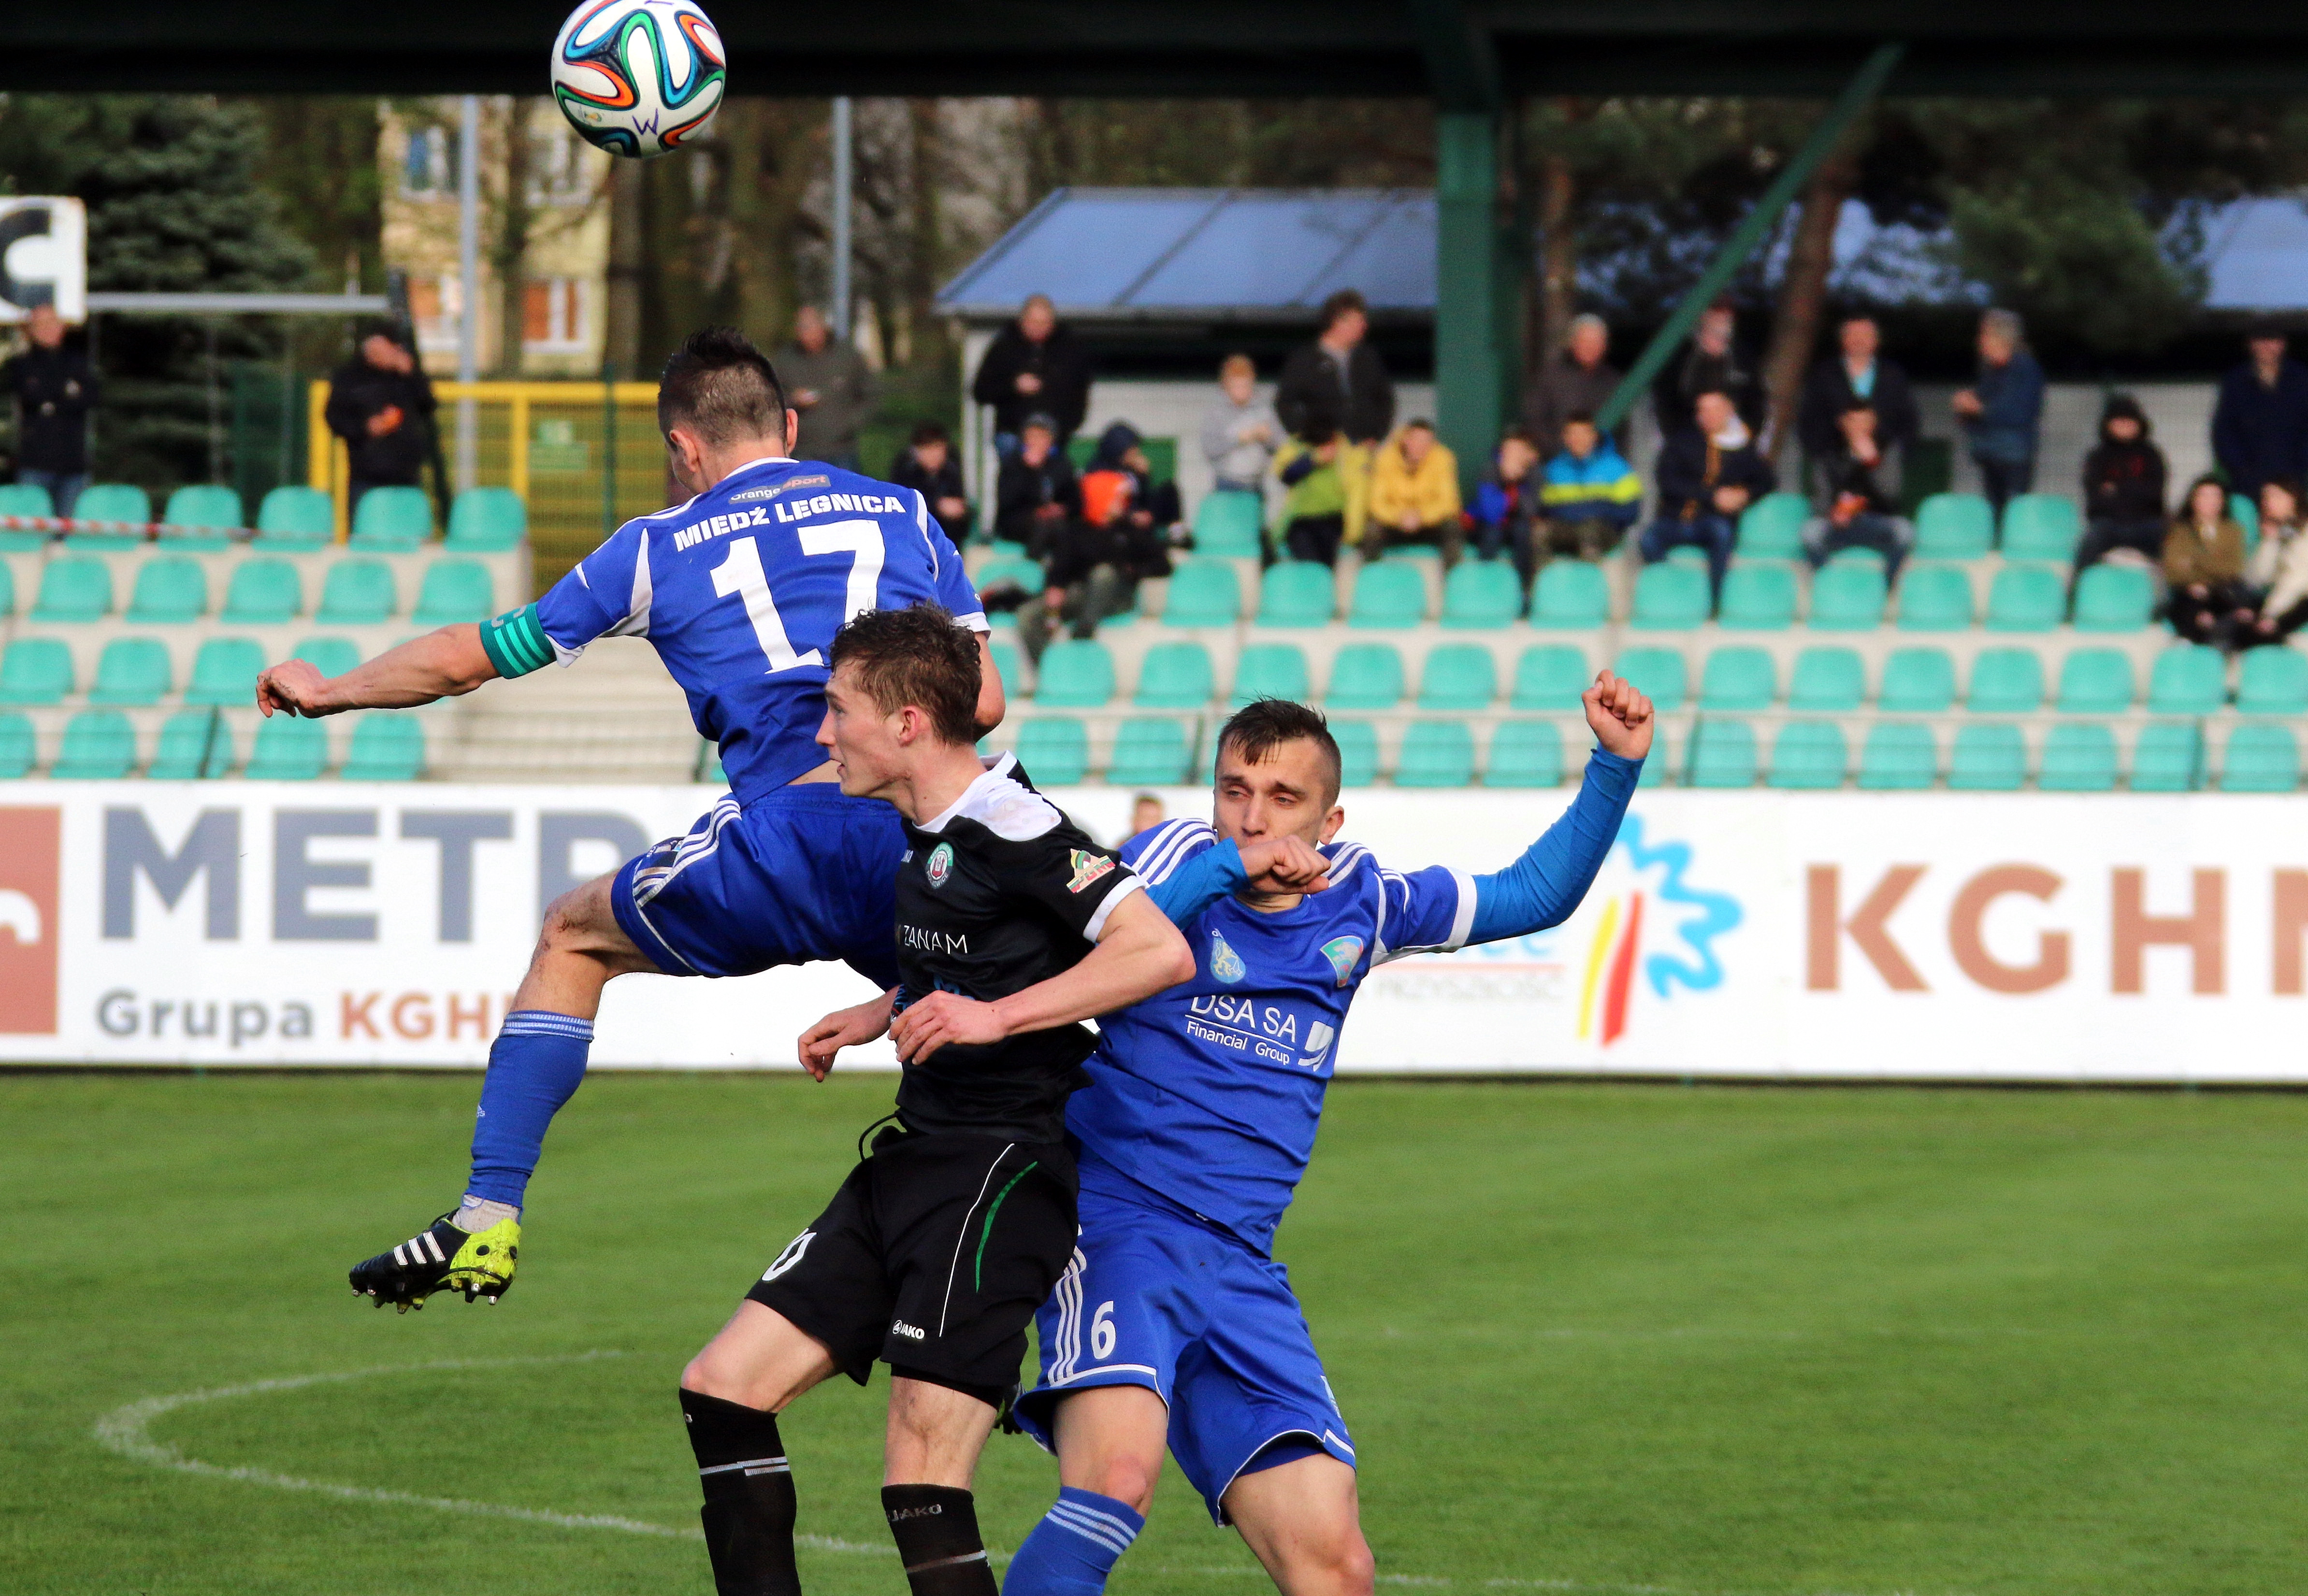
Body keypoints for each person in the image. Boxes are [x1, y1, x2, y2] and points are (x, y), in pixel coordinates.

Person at [265, 327, 1002, 1311]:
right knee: (1003, 1058)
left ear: (684, 449)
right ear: (789, 426)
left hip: (787, 837)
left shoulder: (654, 545)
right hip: (926, 838)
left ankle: (487, 1213)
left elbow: (468, 659)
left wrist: (329, 691)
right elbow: (985, 702)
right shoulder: (904, 510)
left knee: (572, 937)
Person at [1000, 684, 1651, 1596]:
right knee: (1115, 1480)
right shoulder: (1171, 862)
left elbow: (1531, 895)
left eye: (1282, 798)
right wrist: (1227, 867)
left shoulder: (1364, 900)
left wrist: (1615, 763)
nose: (1252, 817)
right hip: (1116, 1225)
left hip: (1240, 1264)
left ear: (1329, 820)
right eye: (1235, 791)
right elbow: (1071, 943)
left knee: (1335, 1562)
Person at [680, 604, 1194, 1596]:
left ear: (908, 722)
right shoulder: (926, 826)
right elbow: (983, 950)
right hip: (916, 1156)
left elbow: (1157, 950)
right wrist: (889, 1005)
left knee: (919, 1472)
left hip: (1003, 1172)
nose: (823, 732)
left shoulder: (1019, 825)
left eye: (839, 710)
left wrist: (994, 1017)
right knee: (723, 1389)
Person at [1018, 422, 1180, 660]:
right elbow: (1060, 567)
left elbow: (1163, 564)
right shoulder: (1077, 530)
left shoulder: (1129, 531)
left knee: (1104, 574)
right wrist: (1055, 590)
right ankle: (1048, 668)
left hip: (1117, 598)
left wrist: (1133, 571)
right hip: (1081, 594)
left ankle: (1084, 633)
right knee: (1027, 614)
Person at [1639, 388, 1774, 607]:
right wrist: (1712, 496)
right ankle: (1673, 593)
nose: (1710, 415)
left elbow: (1767, 480)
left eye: (1716, 410)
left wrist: (1743, 495)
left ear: (1729, 411)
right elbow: (1668, 481)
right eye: (1704, 410)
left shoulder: (1742, 446)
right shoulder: (1681, 442)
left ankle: (1714, 602)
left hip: (1711, 521)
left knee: (1722, 534)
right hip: (1675, 519)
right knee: (1648, 540)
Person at [323, 323, 440, 516]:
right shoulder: (351, 378)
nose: (376, 356)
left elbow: (427, 405)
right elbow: (335, 418)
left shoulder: (406, 377)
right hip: (366, 473)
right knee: (366, 523)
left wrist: (412, 375)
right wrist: (366, 428)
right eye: (372, 351)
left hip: (407, 473)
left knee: (407, 524)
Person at [2, 302, 99, 518]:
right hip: (35, 464)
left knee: (68, 528)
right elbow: (32, 396)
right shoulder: (21, 365)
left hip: (73, 466)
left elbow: (91, 398)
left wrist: (51, 404)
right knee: (31, 527)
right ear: (31, 330)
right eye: (41, 324)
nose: (48, 329)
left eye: (52, 322)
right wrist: (67, 392)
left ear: (62, 326)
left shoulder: (78, 362)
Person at [1797, 314, 1919, 480]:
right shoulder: (1824, 375)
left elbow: (1908, 420)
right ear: (1843, 340)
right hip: (1833, 461)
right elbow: (1809, 418)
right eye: (1853, 335)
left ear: (1876, 341)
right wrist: (1828, 445)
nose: (1859, 340)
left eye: (1865, 335)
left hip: (1884, 463)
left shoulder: (1893, 375)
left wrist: (1894, 451)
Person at [1802, 399, 1914, 580]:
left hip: (1877, 520)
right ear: (1842, 423)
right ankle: (1828, 583)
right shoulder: (1829, 453)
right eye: (1854, 422)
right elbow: (1820, 496)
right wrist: (1833, 513)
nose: (1860, 428)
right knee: (1810, 532)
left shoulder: (1888, 449)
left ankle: (1886, 585)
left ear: (1874, 423)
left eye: (1866, 422)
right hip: (1839, 524)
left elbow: (1892, 494)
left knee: (1905, 530)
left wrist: (1873, 463)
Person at [972, 294, 1093, 456]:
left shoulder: (1070, 350)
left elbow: (1080, 391)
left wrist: (1067, 427)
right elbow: (980, 392)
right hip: (1012, 434)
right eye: (1033, 322)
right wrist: (1014, 387)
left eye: (1044, 323)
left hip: (1055, 437)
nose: (1038, 328)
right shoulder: (1004, 348)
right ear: (1022, 321)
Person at [1952, 308, 2044, 520]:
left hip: (2014, 456)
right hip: (1990, 453)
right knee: (1993, 514)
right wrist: (1964, 409)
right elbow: (1979, 410)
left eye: (1985, 334)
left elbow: (2020, 412)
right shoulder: (1990, 370)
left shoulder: (2025, 368)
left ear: (2002, 338)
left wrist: (1978, 409)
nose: (1980, 341)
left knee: (2013, 516)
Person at [1275, 290, 1393, 446]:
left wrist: (1375, 436)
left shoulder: (1368, 359)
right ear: (1338, 322)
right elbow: (1286, 404)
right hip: (1322, 453)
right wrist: (1312, 440)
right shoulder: (1304, 360)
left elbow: (1385, 401)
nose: (1364, 326)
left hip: (1363, 451)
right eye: (1358, 321)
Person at [2211, 324, 2308, 504]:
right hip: (2247, 482)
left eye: (2272, 340)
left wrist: (2300, 468)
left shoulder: (2301, 379)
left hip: (2294, 481)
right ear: (2251, 345)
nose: (2267, 347)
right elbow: (2224, 431)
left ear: (2282, 344)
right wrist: (2241, 470)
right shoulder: (2236, 381)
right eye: (2261, 341)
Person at [1534, 412, 1641, 569]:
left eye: (1583, 434)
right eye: (1573, 434)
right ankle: (1543, 581)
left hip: (1603, 531)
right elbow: (1545, 509)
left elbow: (1631, 511)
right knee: (1539, 533)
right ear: (1565, 438)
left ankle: (1588, 582)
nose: (1578, 440)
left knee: (1589, 531)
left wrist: (1596, 512)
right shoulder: (1554, 470)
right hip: (1566, 528)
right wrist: (1588, 509)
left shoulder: (1617, 468)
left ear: (1593, 436)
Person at [2075, 393, 2168, 572]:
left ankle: (2173, 589)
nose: (2125, 426)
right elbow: (2096, 499)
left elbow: (2155, 495)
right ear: (2108, 425)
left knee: (2170, 544)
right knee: (2091, 541)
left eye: (2129, 422)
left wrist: (2118, 489)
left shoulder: (2152, 455)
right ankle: (2077, 585)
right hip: (2109, 524)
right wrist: (2136, 489)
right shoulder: (2098, 457)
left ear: (2139, 424)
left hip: (2146, 524)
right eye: (2119, 422)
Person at [779, 304, 876, 470]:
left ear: (822, 326)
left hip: (842, 450)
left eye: (810, 327)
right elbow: (771, 400)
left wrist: (849, 423)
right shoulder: (785, 360)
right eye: (801, 328)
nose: (806, 334)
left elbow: (871, 395)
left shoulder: (847, 356)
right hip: (803, 450)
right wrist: (793, 400)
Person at [2163, 474, 2250, 646]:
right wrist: (2195, 581)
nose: (2210, 501)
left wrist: (2194, 562)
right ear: (2193, 500)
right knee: (2187, 605)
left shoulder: (2234, 531)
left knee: (2239, 606)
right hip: (2188, 591)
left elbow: (2233, 568)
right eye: (2204, 496)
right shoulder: (2180, 531)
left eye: (2215, 496)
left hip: (2223, 591)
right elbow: (2174, 570)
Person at [1523, 312, 1622, 457]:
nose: (1590, 347)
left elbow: (1624, 432)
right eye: (1585, 341)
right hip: (1558, 461)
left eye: (1596, 342)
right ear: (1573, 343)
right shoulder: (1551, 377)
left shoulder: (1614, 382)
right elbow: (1535, 419)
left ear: (1605, 346)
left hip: (1604, 464)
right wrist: (1562, 452)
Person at [1363, 418, 1461, 563]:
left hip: (1429, 524)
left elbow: (1449, 503)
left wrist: (1421, 516)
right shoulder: (1385, 458)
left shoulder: (1443, 458)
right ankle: (1373, 573)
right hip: (1396, 523)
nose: (1421, 446)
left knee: (1452, 528)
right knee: (1372, 530)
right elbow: (1376, 503)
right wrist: (1399, 517)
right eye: (1417, 440)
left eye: (1427, 442)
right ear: (1406, 440)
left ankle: (1454, 576)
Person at [1655, 298, 1757, 432]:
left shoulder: (1743, 359)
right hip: (1688, 435)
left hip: (1733, 434)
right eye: (1714, 330)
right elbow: (1666, 404)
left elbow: (1755, 402)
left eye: (1727, 331)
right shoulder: (1679, 360)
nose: (1721, 337)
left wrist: (1745, 429)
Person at [2234, 475, 2308, 649]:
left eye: (2276, 496)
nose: (2269, 503)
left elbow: (2298, 581)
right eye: (2266, 497)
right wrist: (2269, 542)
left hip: (2298, 605)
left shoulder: (2303, 532)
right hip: (2275, 604)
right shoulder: (2277, 534)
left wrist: (2273, 616)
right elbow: (2258, 579)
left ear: (2293, 499)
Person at [995, 414, 1080, 552]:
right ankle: (1033, 561)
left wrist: (1061, 509)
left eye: (1042, 437)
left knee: (1064, 528)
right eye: (1032, 436)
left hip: (1055, 520)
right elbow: (1007, 501)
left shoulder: (1062, 464)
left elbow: (1074, 500)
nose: (1036, 442)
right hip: (1020, 520)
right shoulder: (1013, 464)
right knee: (1043, 527)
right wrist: (1030, 471)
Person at [1271, 417, 1349, 567]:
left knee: (1326, 570)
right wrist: (1315, 459)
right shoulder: (1295, 446)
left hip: (1333, 518)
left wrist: (1353, 531)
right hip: (1300, 519)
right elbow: (1286, 476)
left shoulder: (1344, 449)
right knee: (1309, 568)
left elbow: (1356, 489)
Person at [1200, 353, 1280, 495]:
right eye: (1237, 386)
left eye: (1246, 385)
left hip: (1257, 484)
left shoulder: (1264, 410)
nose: (1242, 391)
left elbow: (1280, 445)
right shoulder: (1216, 414)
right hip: (1227, 484)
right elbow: (1210, 449)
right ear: (1226, 385)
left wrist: (1267, 438)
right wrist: (1239, 439)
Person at [890, 420, 972, 546]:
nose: (934, 455)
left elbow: (959, 502)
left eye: (938, 448)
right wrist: (938, 506)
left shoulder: (951, 469)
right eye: (928, 449)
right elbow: (903, 505)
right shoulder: (906, 470)